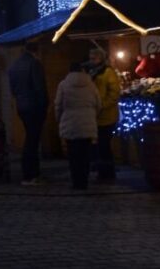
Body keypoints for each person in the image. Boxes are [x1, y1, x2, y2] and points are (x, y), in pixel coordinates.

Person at [54, 62, 100, 190]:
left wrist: (59, 119)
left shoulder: (63, 85)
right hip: (87, 122)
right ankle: (84, 181)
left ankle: (76, 182)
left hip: (70, 123)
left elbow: (58, 105)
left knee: (73, 156)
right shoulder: (91, 85)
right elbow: (98, 103)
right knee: (85, 155)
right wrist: (93, 116)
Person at [8, 41, 48, 185]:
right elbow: (39, 88)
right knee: (33, 141)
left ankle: (28, 173)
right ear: (35, 50)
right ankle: (32, 174)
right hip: (34, 107)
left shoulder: (14, 65)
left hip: (21, 106)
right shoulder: (34, 64)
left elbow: (13, 89)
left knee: (29, 139)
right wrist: (44, 106)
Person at [87, 47, 121, 181]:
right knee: (99, 147)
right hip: (97, 116)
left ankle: (107, 174)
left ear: (101, 58)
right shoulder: (92, 73)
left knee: (104, 146)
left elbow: (114, 93)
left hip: (107, 116)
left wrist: (102, 106)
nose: (91, 61)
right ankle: (103, 172)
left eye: (94, 58)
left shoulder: (108, 72)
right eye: (91, 58)